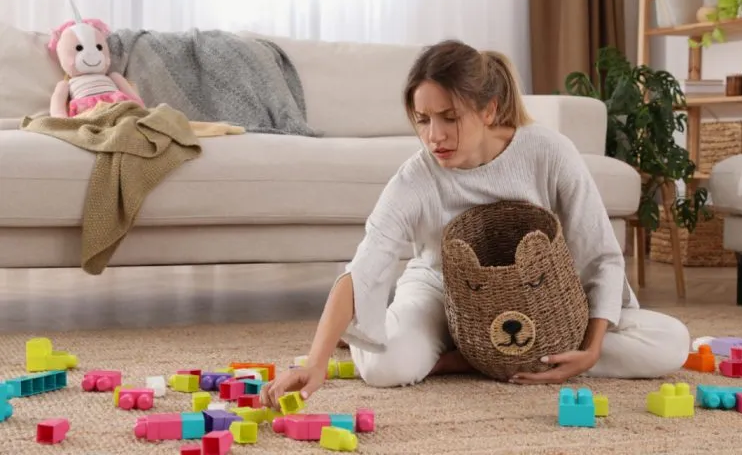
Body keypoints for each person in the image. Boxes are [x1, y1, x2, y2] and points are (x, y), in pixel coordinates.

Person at [260, 40, 690, 408]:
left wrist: (592, 350)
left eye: (450, 117)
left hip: (541, 299)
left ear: (489, 110)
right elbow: (366, 263)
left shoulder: (548, 151)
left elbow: (598, 254)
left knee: (672, 342)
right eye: (423, 119)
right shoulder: (416, 177)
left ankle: (464, 359)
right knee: (384, 367)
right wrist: (316, 361)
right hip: (443, 293)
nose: (435, 136)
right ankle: (481, 349)